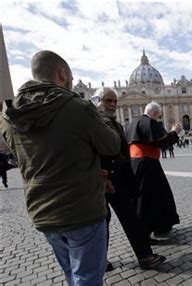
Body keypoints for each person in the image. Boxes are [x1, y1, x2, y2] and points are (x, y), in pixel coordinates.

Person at [0, 50, 120, 285]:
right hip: (81, 210)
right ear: (63, 74)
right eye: (71, 78)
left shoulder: (8, 115)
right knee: (87, 278)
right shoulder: (77, 107)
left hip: (42, 211)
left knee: (72, 275)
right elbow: (111, 145)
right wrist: (102, 118)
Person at [91, 88, 166, 271]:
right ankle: (102, 260)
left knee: (130, 217)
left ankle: (145, 256)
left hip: (117, 176)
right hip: (102, 178)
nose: (113, 105)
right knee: (104, 221)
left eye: (115, 101)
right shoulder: (93, 121)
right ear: (97, 101)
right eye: (108, 100)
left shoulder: (109, 121)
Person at [126, 101, 181, 237]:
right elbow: (163, 142)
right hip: (148, 164)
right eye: (158, 115)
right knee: (154, 196)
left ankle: (154, 225)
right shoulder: (149, 123)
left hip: (135, 163)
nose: (158, 118)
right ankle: (152, 227)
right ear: (155, 113)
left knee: (145, 195)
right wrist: (175, 132)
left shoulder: (131, 123)